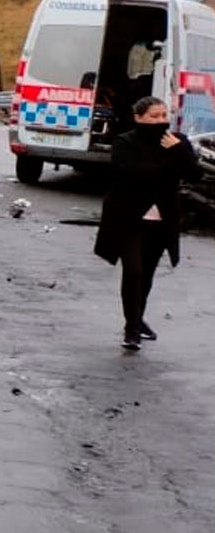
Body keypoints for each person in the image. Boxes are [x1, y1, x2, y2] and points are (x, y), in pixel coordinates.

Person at [91, 96, 200, 348]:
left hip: (161, 220)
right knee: (133, 270)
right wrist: (171, 159)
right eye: (154, 116)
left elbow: (194, 174)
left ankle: (137, 319)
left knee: (147, 274)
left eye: (164, 116)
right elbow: (135, 174)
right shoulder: (124, 142)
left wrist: (180, 151)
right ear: (138, 117)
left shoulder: (177, 142)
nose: (160, 121)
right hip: (128, 217)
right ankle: (131, 329)